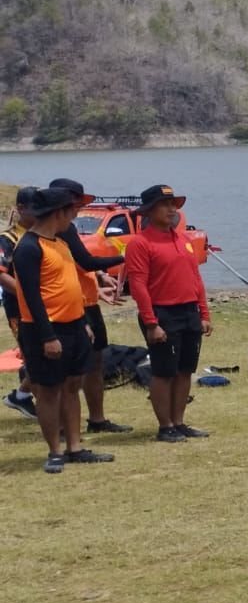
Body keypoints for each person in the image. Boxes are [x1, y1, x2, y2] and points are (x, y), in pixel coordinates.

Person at [11, 186, 116, 472]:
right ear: (59, 212)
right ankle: (55, 451)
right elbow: (31, 297)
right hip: (44, 331)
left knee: (72, 387)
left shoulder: (60, 243)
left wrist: (82, 321)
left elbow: (69, 288)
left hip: (74, 327)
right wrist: (48, 336)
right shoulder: (29, 247)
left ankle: (75, 447)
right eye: (72, 211)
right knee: (48, 390)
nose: (75, 216)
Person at [123, 184, 212, 443]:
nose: (172, 210)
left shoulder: (183, 240)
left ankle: (179, 421)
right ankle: (165, 426)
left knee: (185, 370)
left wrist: (204, 314)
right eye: (166, 205)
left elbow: (196, 278)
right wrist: (151, 323)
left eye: (174, 204)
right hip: (162, 313)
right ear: (150, 211)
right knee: (164, 372)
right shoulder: (140, 243)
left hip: (188, 311)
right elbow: (138, 285)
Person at [49, 179, 130, 433]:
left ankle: (97, 419)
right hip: (72, 307)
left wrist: (98, 275)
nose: (79, 208)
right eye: (76, 203)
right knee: (69, 371)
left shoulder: (69, 228)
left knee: (95, 362)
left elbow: (79, 264)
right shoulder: (57, 229)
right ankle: (63, 425)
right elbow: (85, 260)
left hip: (88, 301)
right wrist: (125, 257)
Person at [0, 189, 40, 419]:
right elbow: (2, 274)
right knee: (34, 355)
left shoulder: (43, 234)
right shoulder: (9, 239)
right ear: (22, 208)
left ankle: (22, 395)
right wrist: (29, 295)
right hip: (20, 308)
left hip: (48, 304)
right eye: (35, 207)